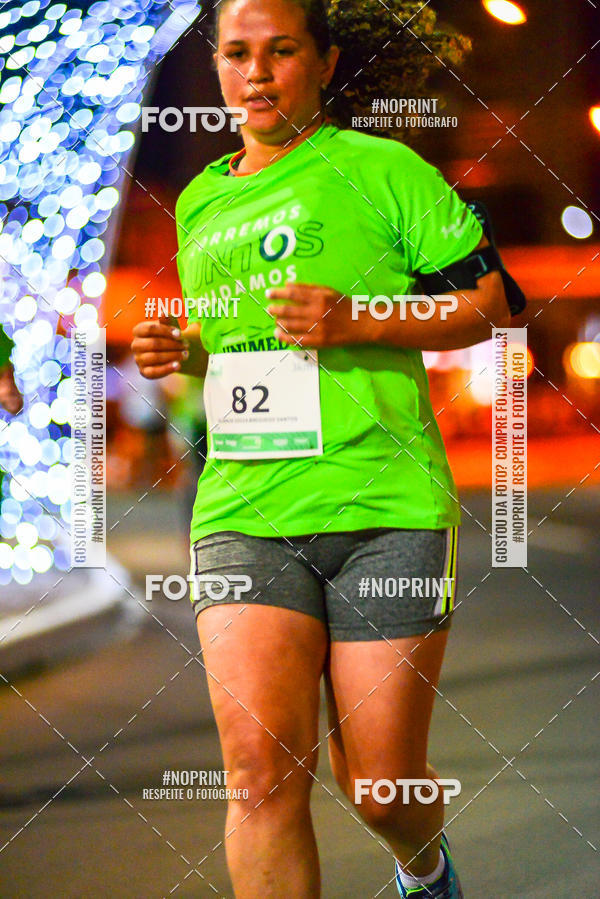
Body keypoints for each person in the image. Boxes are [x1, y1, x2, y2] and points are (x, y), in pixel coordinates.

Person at [132, 1, 511, 896]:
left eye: (281, 50)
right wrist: (180, 349)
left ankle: (423, 867)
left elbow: (492, 303)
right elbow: (240, 346)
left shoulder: (384, 170)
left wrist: (359, 317)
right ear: (217, 68)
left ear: (326, 62)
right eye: (236, 53)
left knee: (379, 786)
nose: (257, 73)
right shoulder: (199, 201)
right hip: (245, 511)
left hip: (385, 508)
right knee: (260, 776)